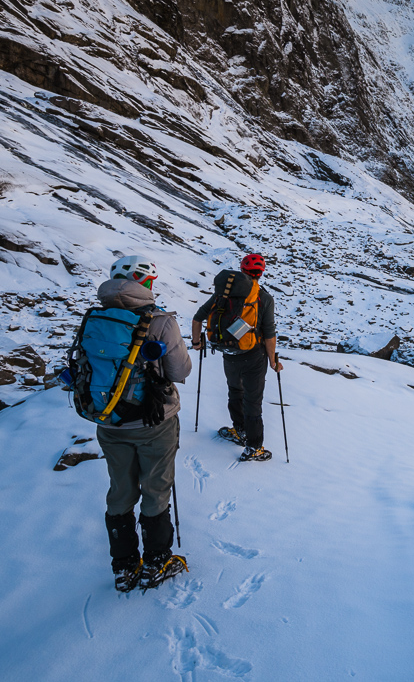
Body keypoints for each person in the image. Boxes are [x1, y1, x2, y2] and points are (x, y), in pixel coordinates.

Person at [92, 255, 193, 592]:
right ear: (145, 282)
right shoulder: (159, 321)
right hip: (154, 420)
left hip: (108, 422)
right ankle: (156, 560)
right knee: (155, 487)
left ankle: (123, 567)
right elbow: (180, 371)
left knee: (120, 491)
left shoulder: (93, 317)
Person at [191, 253, 283, 462]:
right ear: (261, 273)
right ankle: (253, 447)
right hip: (254, 356)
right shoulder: (264, 297)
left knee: (235, 391)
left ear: (241, 270)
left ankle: (239, 430)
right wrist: (273, 360)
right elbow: (269, 332)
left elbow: (198, 317)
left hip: (229, 354)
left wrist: (197, 342)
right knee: (253, 401)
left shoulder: (223, 294)